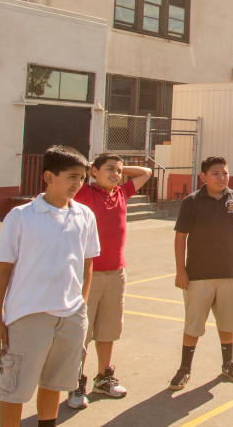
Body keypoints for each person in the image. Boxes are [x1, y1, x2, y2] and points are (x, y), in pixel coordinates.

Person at [0, 145, 100, 427]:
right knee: (14, 390)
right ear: (49, 177)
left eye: (83, 178)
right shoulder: (21, 216)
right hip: (28, 317)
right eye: (72, 176)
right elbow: (2, 270)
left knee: (54, 383)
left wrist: (81, 307)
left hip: (70, 316)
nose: (78, 184)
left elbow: (87, 266)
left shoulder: (85, 215)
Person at [68, 154, 152, 409]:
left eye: (118, 170)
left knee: (108, 330)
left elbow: (146, 172)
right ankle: (75, 382)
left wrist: (119, 170)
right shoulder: (84, 194)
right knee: (82, 331)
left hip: (116, 273)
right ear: (93, 172)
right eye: (109, 170)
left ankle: (104, 378)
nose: (116, 174)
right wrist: (95, 171)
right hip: (88, 273)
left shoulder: (121, 193)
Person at [169, 156, 233, 391]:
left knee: (227, 323)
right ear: (203, 177)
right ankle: (184, 368)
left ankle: (228, 364)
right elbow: (180, 237)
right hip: (197, 275)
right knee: (193, 325)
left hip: (227, 273)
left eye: (225, 173)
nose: (221, 177)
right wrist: (180, 271)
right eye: (215, 173)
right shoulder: (192, 202)